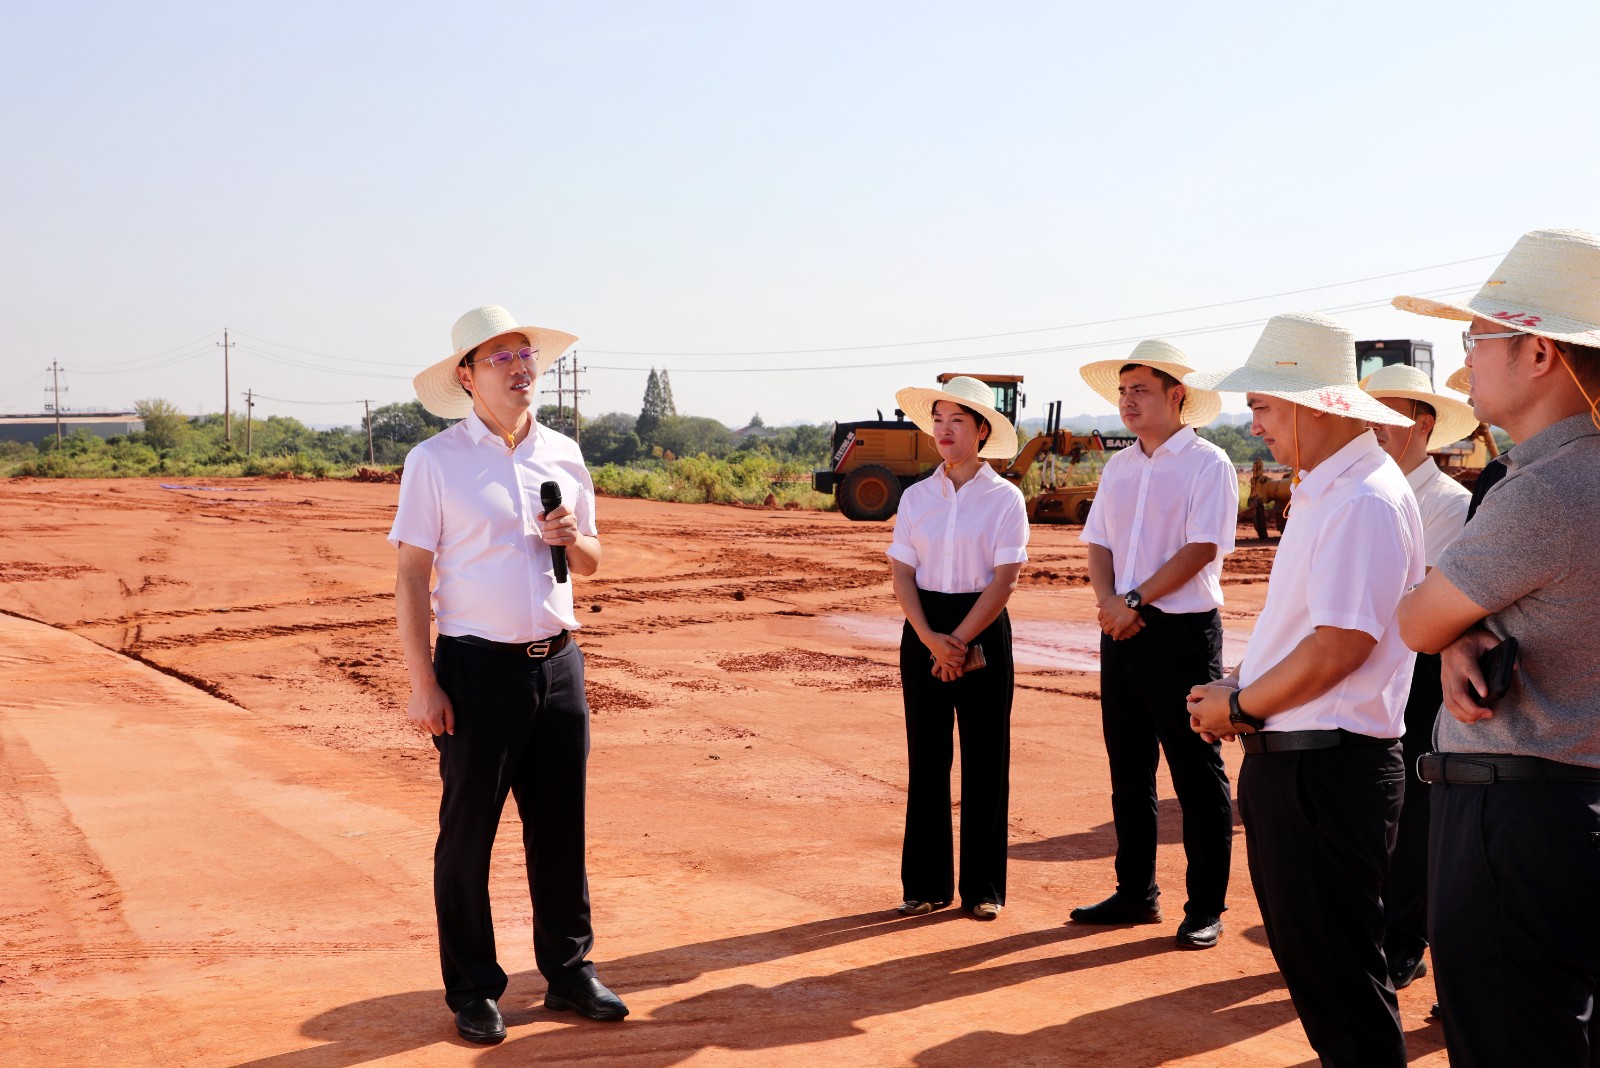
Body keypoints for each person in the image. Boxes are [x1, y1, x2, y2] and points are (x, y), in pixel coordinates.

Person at [1183, 312, 1423, 1067]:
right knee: (1329, 979)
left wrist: (1239, 706)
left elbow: (1341, 647)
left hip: (1326, 769)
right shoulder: (1333, 490)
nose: (1254, 425)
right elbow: (1315, 634)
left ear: (1312, 403)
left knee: (1342, 986)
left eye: (1260, 406)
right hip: (1308, 761)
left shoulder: (1361, 500)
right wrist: (1241, 685)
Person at [390, 305, 628, 1045]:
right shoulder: (435, 462)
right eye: (501, 357)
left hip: (558, 666)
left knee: (560, 830)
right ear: (466, 376)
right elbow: (411, 576)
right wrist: (423, 681)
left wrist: (573, 538)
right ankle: (473, 988)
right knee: (468, 837)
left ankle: (569, 971)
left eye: (526, 354)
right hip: (475, 673)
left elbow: (591, 560)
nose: (521, 367)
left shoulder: (563, 452)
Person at [1393, 227, 1600, 1067]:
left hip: (1519, 819)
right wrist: (1464, 632)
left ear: (1540, 352)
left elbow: (1416, 620)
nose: (1468, 360)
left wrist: (1449, 631)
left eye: (1476, 339)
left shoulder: (1546, 489)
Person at [1068, 341, 1238, 950]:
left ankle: (1206, 907)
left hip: (1181, 634)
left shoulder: (1208, 464)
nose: (1127, 401)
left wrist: (1133, 601)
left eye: (1140, 389)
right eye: (1122, 391)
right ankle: (1135, 892)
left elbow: (1202, 547)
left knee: (1195, 771)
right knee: (1128, 767)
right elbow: (1098, 541)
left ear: (1177, 396)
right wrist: (1110, 604)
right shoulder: (1119, 467)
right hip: (1122, 631)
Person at [886, 375, 1028, 922]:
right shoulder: (916, 496)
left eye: (957, 421)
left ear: (982, 430)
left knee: (986, 758)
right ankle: (925, 885)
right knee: (927, 757)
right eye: (938, 420)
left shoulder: (1005, 498)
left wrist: (960, 642)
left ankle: (983, 888)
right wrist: (930, 639)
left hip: (982, 627)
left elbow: (1005, 580)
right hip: (923, 628)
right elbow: (902, 572)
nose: (944, 431)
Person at [1358, 363, 1476, 990]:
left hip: (1422, 671)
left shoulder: (1451, 504)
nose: (1374, 427)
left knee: (1414, 813)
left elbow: (1419, 600)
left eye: (1389, 415)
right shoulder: (1356, 493)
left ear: (1423, 424)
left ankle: (1405, 940)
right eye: (1368, 415)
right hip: (1360, 668)